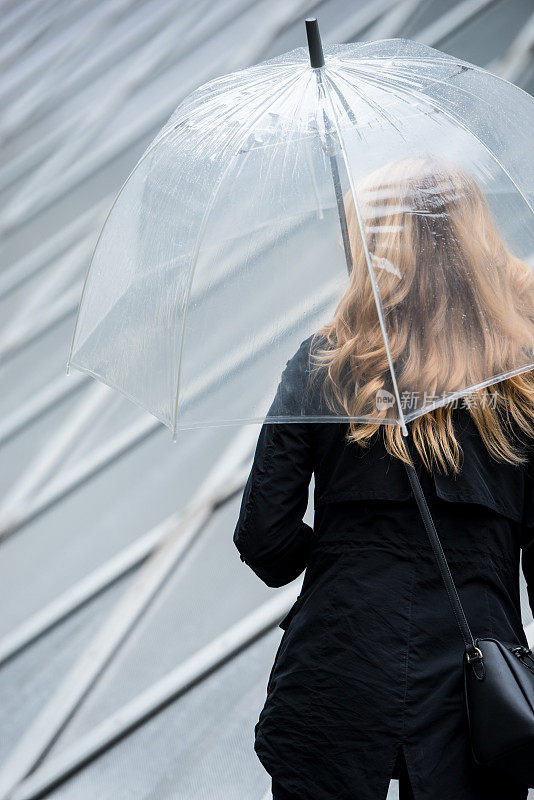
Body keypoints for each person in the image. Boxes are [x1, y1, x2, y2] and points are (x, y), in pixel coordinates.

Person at [232, 157, 534, 800]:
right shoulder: (524, 381)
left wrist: (349, 562)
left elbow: (264, 541)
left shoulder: (325, 362)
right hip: (479, 686)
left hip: (340, 662)